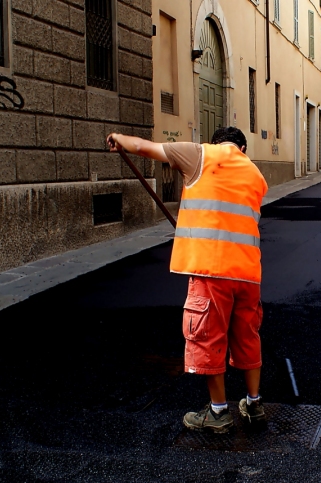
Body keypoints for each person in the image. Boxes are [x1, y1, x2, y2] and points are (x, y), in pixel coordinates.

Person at [106, 127, 268, 433]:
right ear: (242, 148)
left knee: (210, 336)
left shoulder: (201, 154)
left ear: (215, 141)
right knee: (247, 337)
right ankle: (254, 403)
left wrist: (119, 139)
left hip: (211, 271)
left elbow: (143, 146)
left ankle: (218, 412)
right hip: (248, 274)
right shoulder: (256, 175)